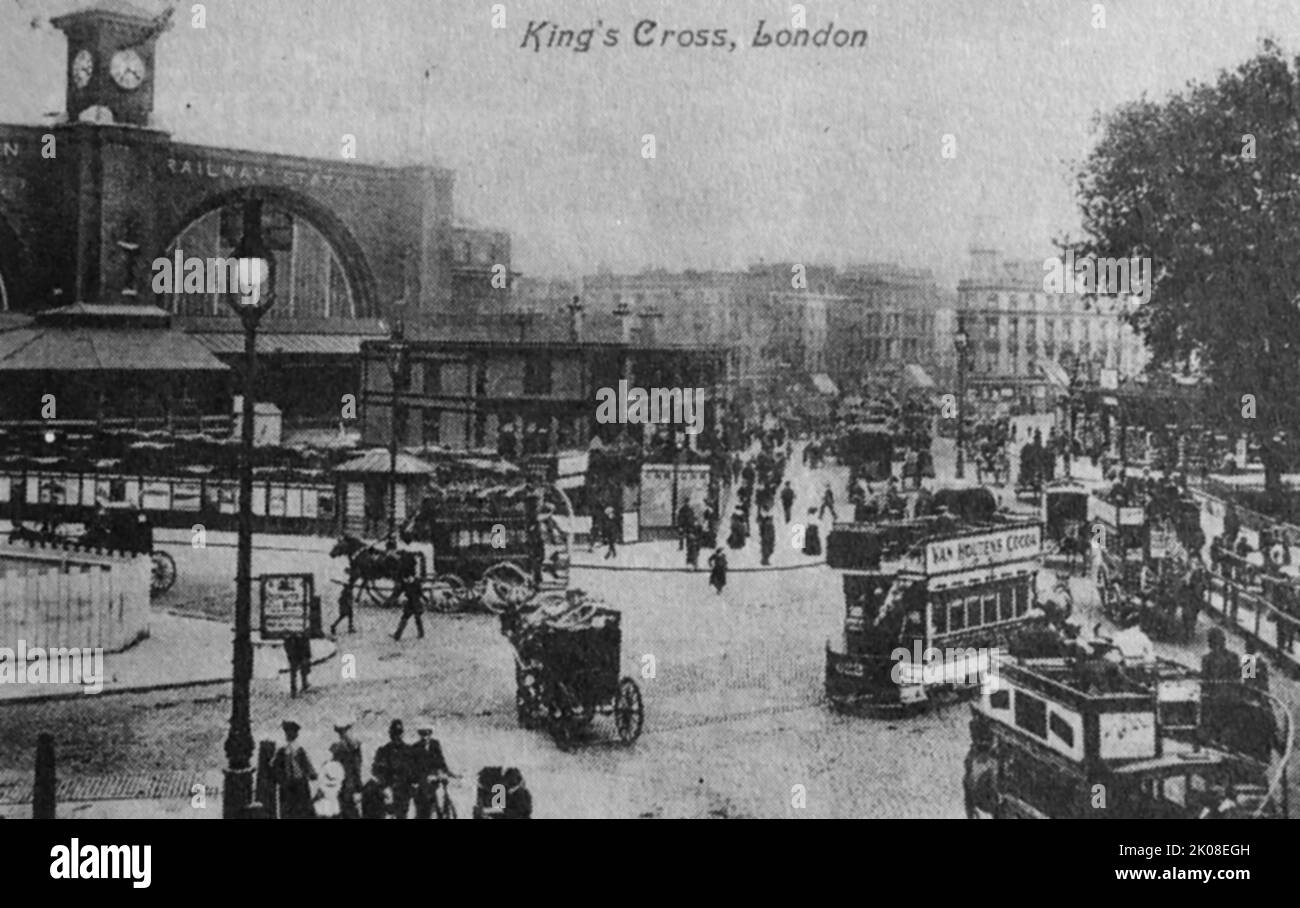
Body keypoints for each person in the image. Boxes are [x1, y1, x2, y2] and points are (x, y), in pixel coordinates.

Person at [271, 720, 317, 819]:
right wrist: (281, 780)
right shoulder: (282, 750)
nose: (290, 734)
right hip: (288, 784)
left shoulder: (299, 749)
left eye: (293, 732)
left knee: (301, 810)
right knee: (290, 810)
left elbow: (307, 765)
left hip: (299, 783)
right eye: (288, 732)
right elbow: (275, 767)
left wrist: (312, 774)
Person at [410, 725, 455, 819]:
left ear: (430, 734)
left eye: (427, 734)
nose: (425, 737)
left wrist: (446, 772)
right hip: (423, 782)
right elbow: (414, 768)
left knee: (442, 796)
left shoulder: (435, 744)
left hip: (436, 780)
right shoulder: (415, 748)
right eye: (422, 734)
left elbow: (441, 761)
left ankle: (443, 813)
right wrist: (423, 778)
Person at [372, 719, 414, 819]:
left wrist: (413, 785)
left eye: (399, 733)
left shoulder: (409, 751)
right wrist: (384, 787)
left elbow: (413, 771)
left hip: (405, 791)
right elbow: (376, 770)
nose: (397, 736)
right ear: (390, 734)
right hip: (388, 791)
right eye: (394, 733)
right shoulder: (383, 751)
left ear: (402, 734)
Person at [329, 718, 363, 820]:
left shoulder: (351, 746)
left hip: (347, 787)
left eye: (343, 731)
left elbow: (357, 769)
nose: (342, 734)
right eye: (341, 731)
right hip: (344, 787)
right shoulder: (346, 747)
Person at [392, 570, 425, 641]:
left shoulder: (416, 583)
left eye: (406, 579)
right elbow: (399, 591)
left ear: (410, 577)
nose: (405, 580)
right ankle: (397, 635)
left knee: (417, 619)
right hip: (410, 603)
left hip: (415, 603)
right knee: (404, 619)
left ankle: (421, 633)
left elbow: (420, 593)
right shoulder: (406, 583)